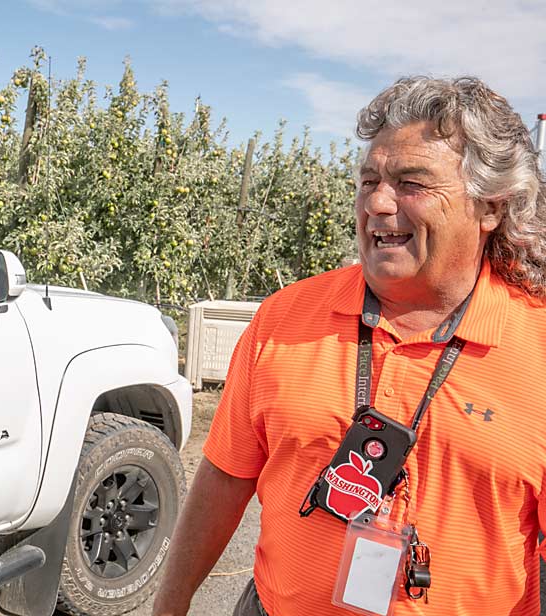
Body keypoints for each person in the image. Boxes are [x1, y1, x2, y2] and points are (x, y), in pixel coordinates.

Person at [153, 76, 546, 616]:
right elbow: (225, 476)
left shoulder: (537, 349)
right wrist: (169, 605)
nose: (378, 204)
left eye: (411, 183)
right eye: (368, 181)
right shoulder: (285, 317)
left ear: (491, 208)